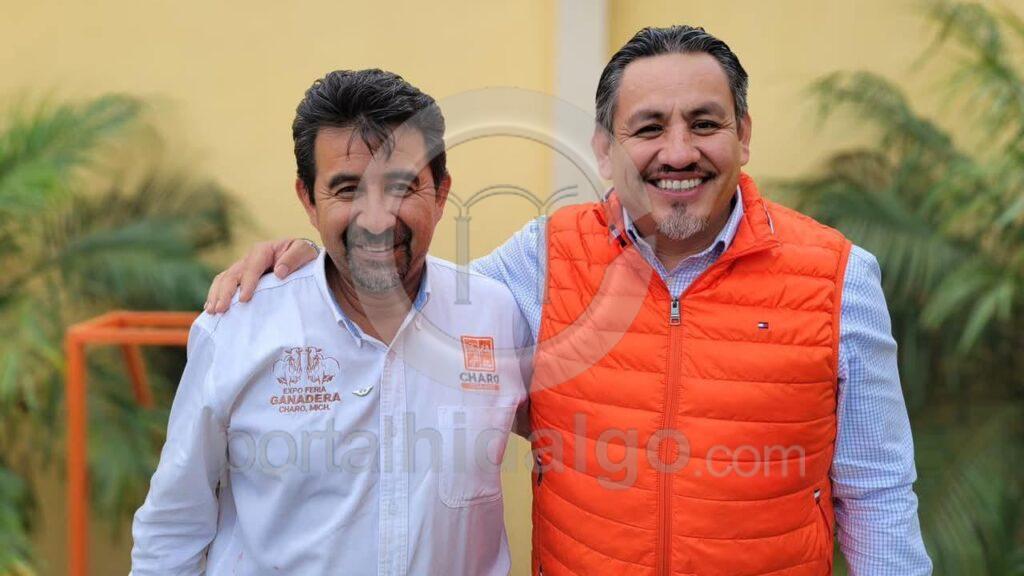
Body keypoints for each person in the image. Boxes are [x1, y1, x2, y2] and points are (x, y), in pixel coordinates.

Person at [207, 26, 933, 575]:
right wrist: (310, 262)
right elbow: (410, 306)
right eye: (648, 127)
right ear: (604, 149)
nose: (678, 151)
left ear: (743, 135)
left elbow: (876, 492)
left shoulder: (840, 276)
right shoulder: (542, 259)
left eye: (705, 123)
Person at [132, 69, 530, 575]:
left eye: (402, 186)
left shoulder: (497, 316)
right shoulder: (240, 328)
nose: (376, 219)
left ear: (441, 193)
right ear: (308, 199)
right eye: (346, 189)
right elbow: (173, 526)